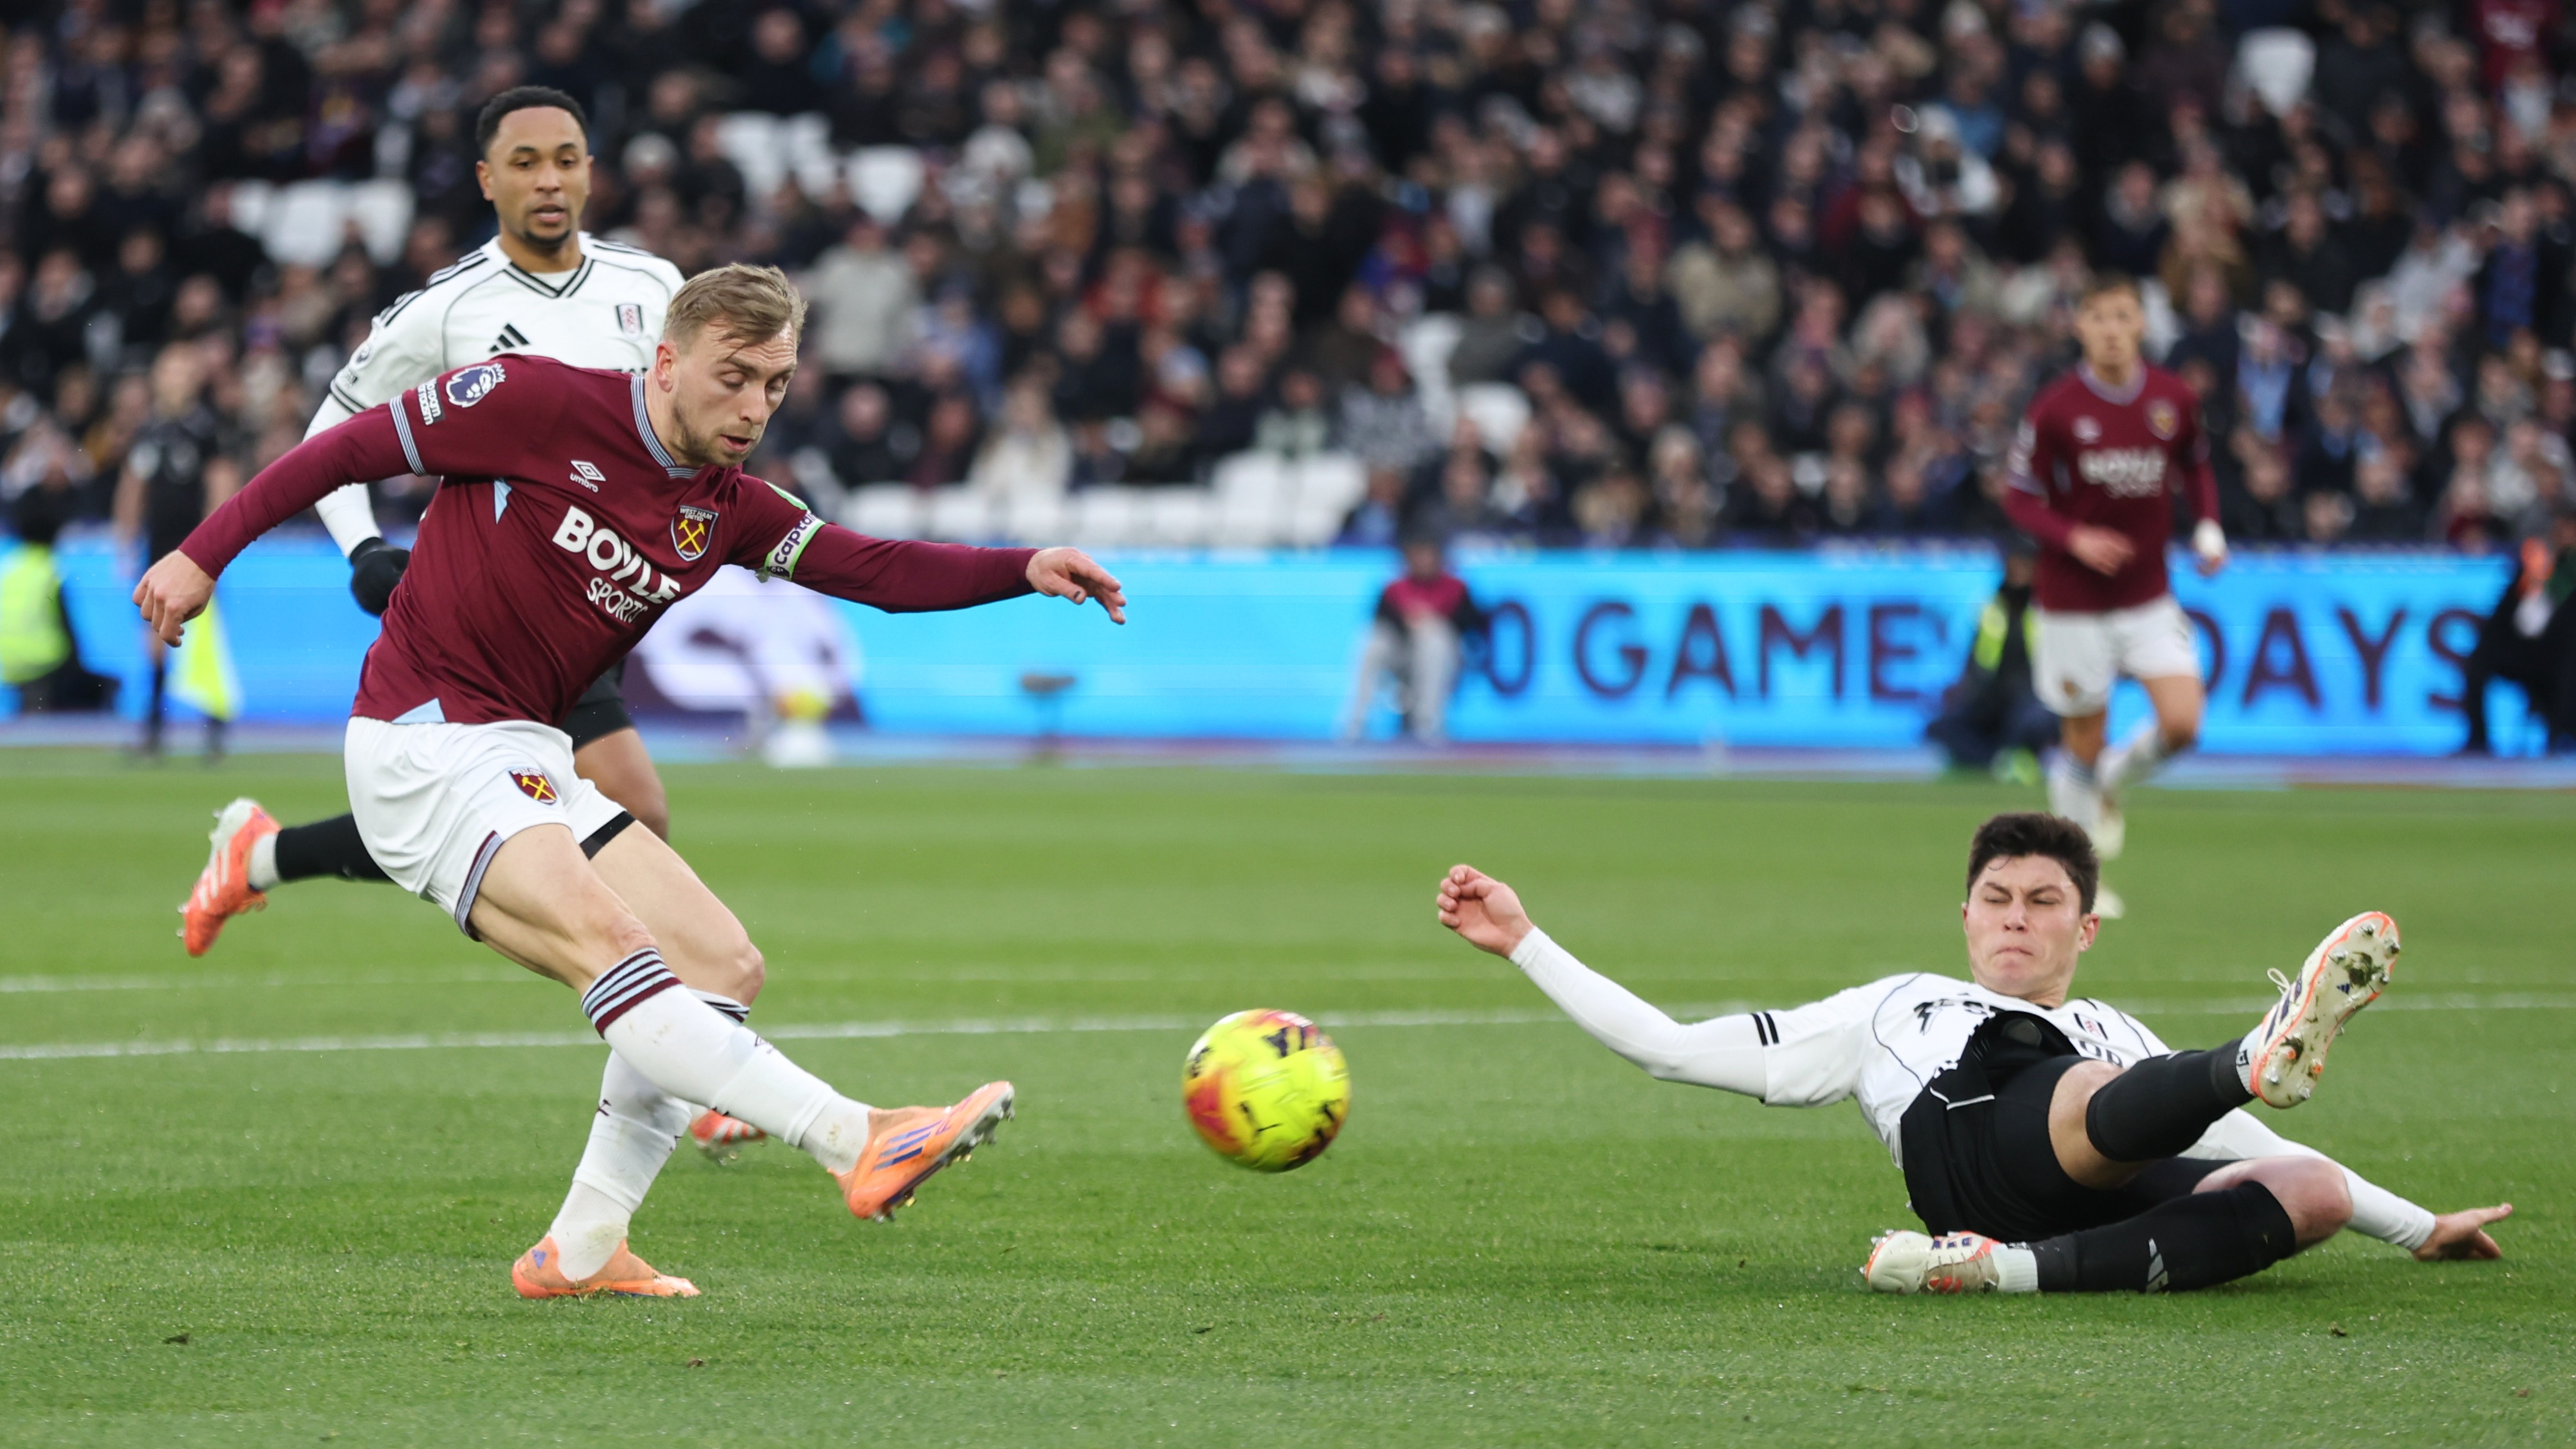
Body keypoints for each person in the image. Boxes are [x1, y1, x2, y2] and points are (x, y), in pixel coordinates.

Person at [134, 263, 1129, 1299]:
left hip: (528, 752)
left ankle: (583, 1247)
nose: (753, 408)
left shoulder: (729, 507)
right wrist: (202, 555)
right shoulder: (533, 400)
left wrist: (1020, 568)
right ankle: (857, 1137)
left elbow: (871, 569)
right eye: (733, 378)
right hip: (423, 737)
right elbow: (342, 449)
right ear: (664, 362)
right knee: (617, 947)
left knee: (719, 962)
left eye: (775, 386)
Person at [1435, 813, 2512, 1296]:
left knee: (2311, 1188)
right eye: (1995, 899)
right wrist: (1524, 939)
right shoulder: (1896, 1004)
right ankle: (2245, 1050)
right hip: (1974, 1137)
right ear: (1963, 915)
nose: (2014, 919)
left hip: (2075, 1191)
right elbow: (1668, 1048)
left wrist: (2419, 1227)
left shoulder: (2117, 1030)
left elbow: (2250, 1141)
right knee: (2086, 1084)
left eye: (2042, 901)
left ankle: (2003, 1272)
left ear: (2085, 928)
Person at [182, 88, 688, 942]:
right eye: (525, 163)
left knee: (490, 817)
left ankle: (261, 856)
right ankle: (633, 1007)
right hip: (494, 603)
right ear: (488, 180)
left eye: (565, 160)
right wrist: (363, 547)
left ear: (590, 172)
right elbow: (330, 432)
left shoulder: (653, 286)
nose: (549, 180)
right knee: (630, 811)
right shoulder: (447, 308)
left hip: (601, 595)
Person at [2002, 273, 2227, 916]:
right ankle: (2080, 884)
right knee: (2083, 736)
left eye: (2122, 316)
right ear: (2079, 326)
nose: (2111, 330)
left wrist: (2208, 526)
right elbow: (2019, 495)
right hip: (2072, 602)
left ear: (2141, 324)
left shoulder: (2172, 398)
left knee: (2183, 723)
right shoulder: (2056, 408)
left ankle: (2113, 778)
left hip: (2147, 595)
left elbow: (2195, 465)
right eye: (2098, 317)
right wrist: (2074, 537)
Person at [112, 344, 230, 757]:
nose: (176, 379)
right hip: (157, 546)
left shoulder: (206, 428)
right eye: (169, 371)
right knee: (154, 634)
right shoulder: (148, 429)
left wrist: (217, 544)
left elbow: (220, 482)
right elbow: (133, 486)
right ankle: (155, 726)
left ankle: (213, 724)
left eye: (183, 372)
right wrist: (125, 540)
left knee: (203, 635)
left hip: (196, 549)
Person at [1925, 542, 2060, 776]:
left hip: (2031, 698)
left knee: (2036, 721)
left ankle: (2006, 757)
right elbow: (1977, 660)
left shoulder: (2045, 607)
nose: (2019, 572)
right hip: (1992, 698)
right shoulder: (1993, 607)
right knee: (1941, 727)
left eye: (2025, 566)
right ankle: (1998, 762)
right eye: (2014, 565)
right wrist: (1966, 691)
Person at [1339, 532, 1485, 744]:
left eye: (1428, 555)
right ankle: (1356, 723)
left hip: (1442, 656)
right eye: (1418, 555)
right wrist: (1408, 622)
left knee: (1434, 638)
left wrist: (1433, 621)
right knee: (1372, 641)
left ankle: (1429, 724)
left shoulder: (1455, 588)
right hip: (1402, 653)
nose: (1423, 561)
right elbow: (1380, 620)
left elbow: (1473, 624)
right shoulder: (1395, 587)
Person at [2458, 511, 2576, 753]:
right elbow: (2501, 619)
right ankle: (2478, 740)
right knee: (2480, 659)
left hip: (2561, 656)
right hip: (2527, 652)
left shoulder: (2570, 575)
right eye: (2561, 530)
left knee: (2570, 668)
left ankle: (2557, 740)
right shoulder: (2534, 568)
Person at [1, 481, 118, 712]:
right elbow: (67, 632)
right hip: (43, 662)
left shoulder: (8, 567)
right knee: (104, 685)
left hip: (7, 664)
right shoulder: (52, 571)